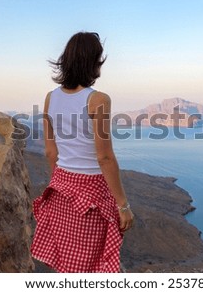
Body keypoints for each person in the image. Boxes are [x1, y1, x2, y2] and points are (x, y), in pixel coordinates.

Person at [30, 32, 134, 273]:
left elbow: (50, 151)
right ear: (92, 62)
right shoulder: (98, 100)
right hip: (92, 192)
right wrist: (123, 205)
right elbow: (104, 157)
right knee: (91, 265)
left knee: (68, 263)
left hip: (59, 189)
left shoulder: (50, 98)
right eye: (98, 60)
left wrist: (61, 181)